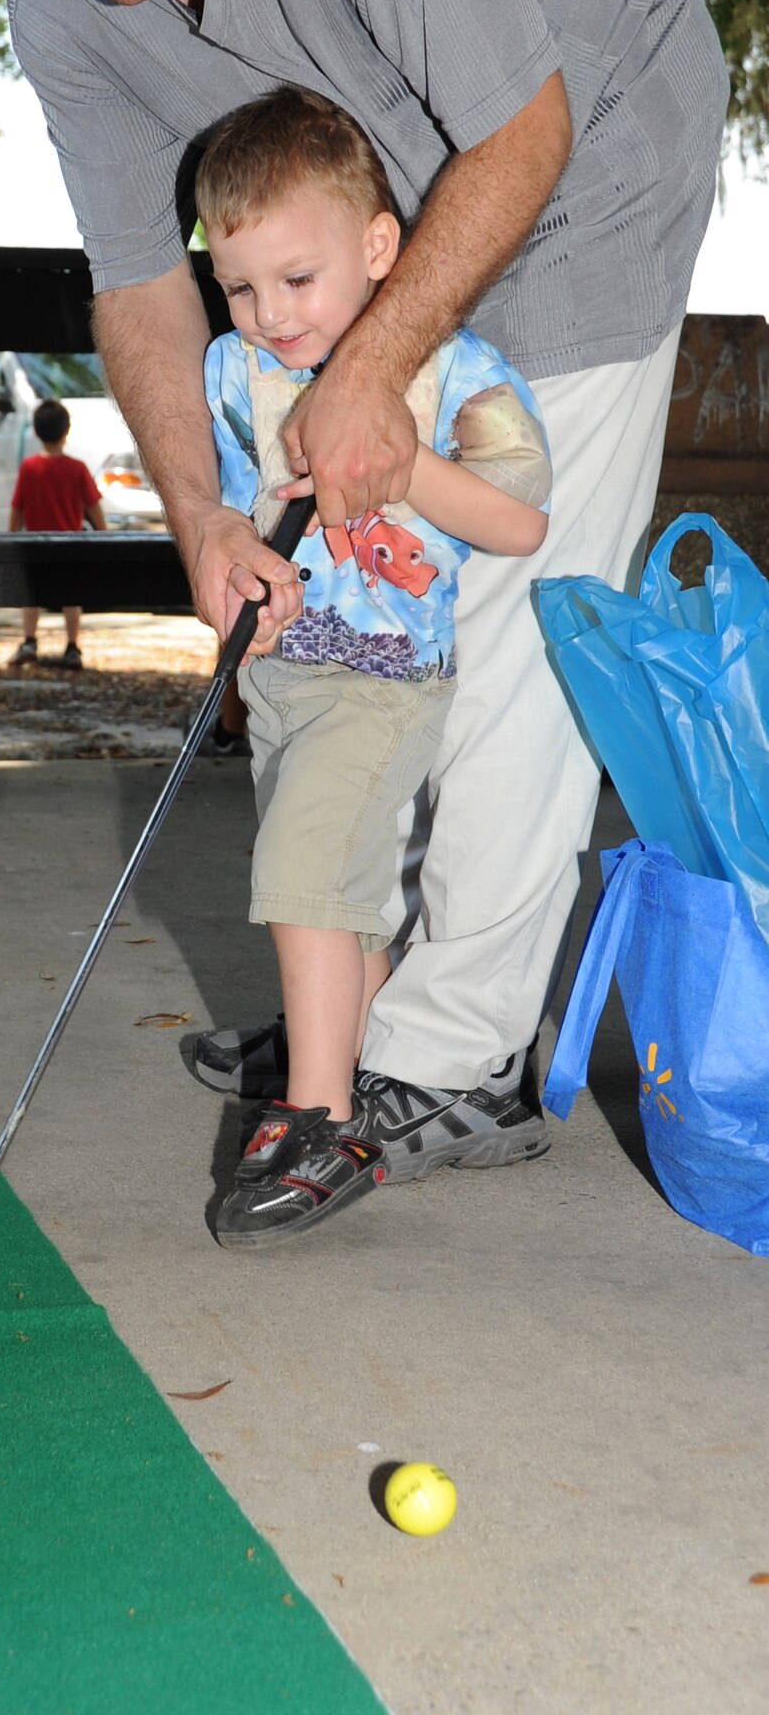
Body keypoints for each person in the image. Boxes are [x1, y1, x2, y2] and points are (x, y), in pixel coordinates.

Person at [0, 0, 728, 1174]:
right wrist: (202, 523)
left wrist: (383, 368)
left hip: (586, 133)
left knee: (493, 607)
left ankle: (456, 1055)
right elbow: (142, 286)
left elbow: (518, 134)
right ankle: (359, 1000)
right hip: (386, 204)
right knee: (352, 613)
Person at [197, 86, 551, 1243]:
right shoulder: (228, 372)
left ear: (378, 246)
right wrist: (243, 548)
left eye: (295, 280)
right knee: (339, 913)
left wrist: (397, 464)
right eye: (240, 284)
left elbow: (518, 522)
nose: (267, 311)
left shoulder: (455, 367)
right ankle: (366, 1049)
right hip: (283, 673)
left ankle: (320, 1119)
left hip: (387, 675)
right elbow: (233, 502)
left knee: (304, 870)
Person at [8, 398, 107, 667]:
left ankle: (29, 641)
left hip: (35, 547)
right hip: (69, 546)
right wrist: (104, 533)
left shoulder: (29, 468)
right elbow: (93, 506)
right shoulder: (77, 469)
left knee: (31, 596)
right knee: (71, 598)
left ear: (37, 432)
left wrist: (11, 536)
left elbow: (17, 507)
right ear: (66, 430)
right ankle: (72, 646)